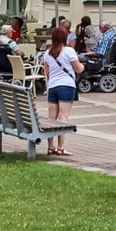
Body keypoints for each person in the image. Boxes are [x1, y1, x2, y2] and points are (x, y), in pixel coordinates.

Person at [38, 27, 83, 156]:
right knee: (63, 117)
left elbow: (46, 71)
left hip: (52, 86)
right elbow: (78, 69)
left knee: (51, 117)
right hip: (66, 86)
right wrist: (83, 65)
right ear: (65, 38)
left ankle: (50, 146)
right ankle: (61, 147)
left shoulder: (47, 53)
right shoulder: (69, 51)